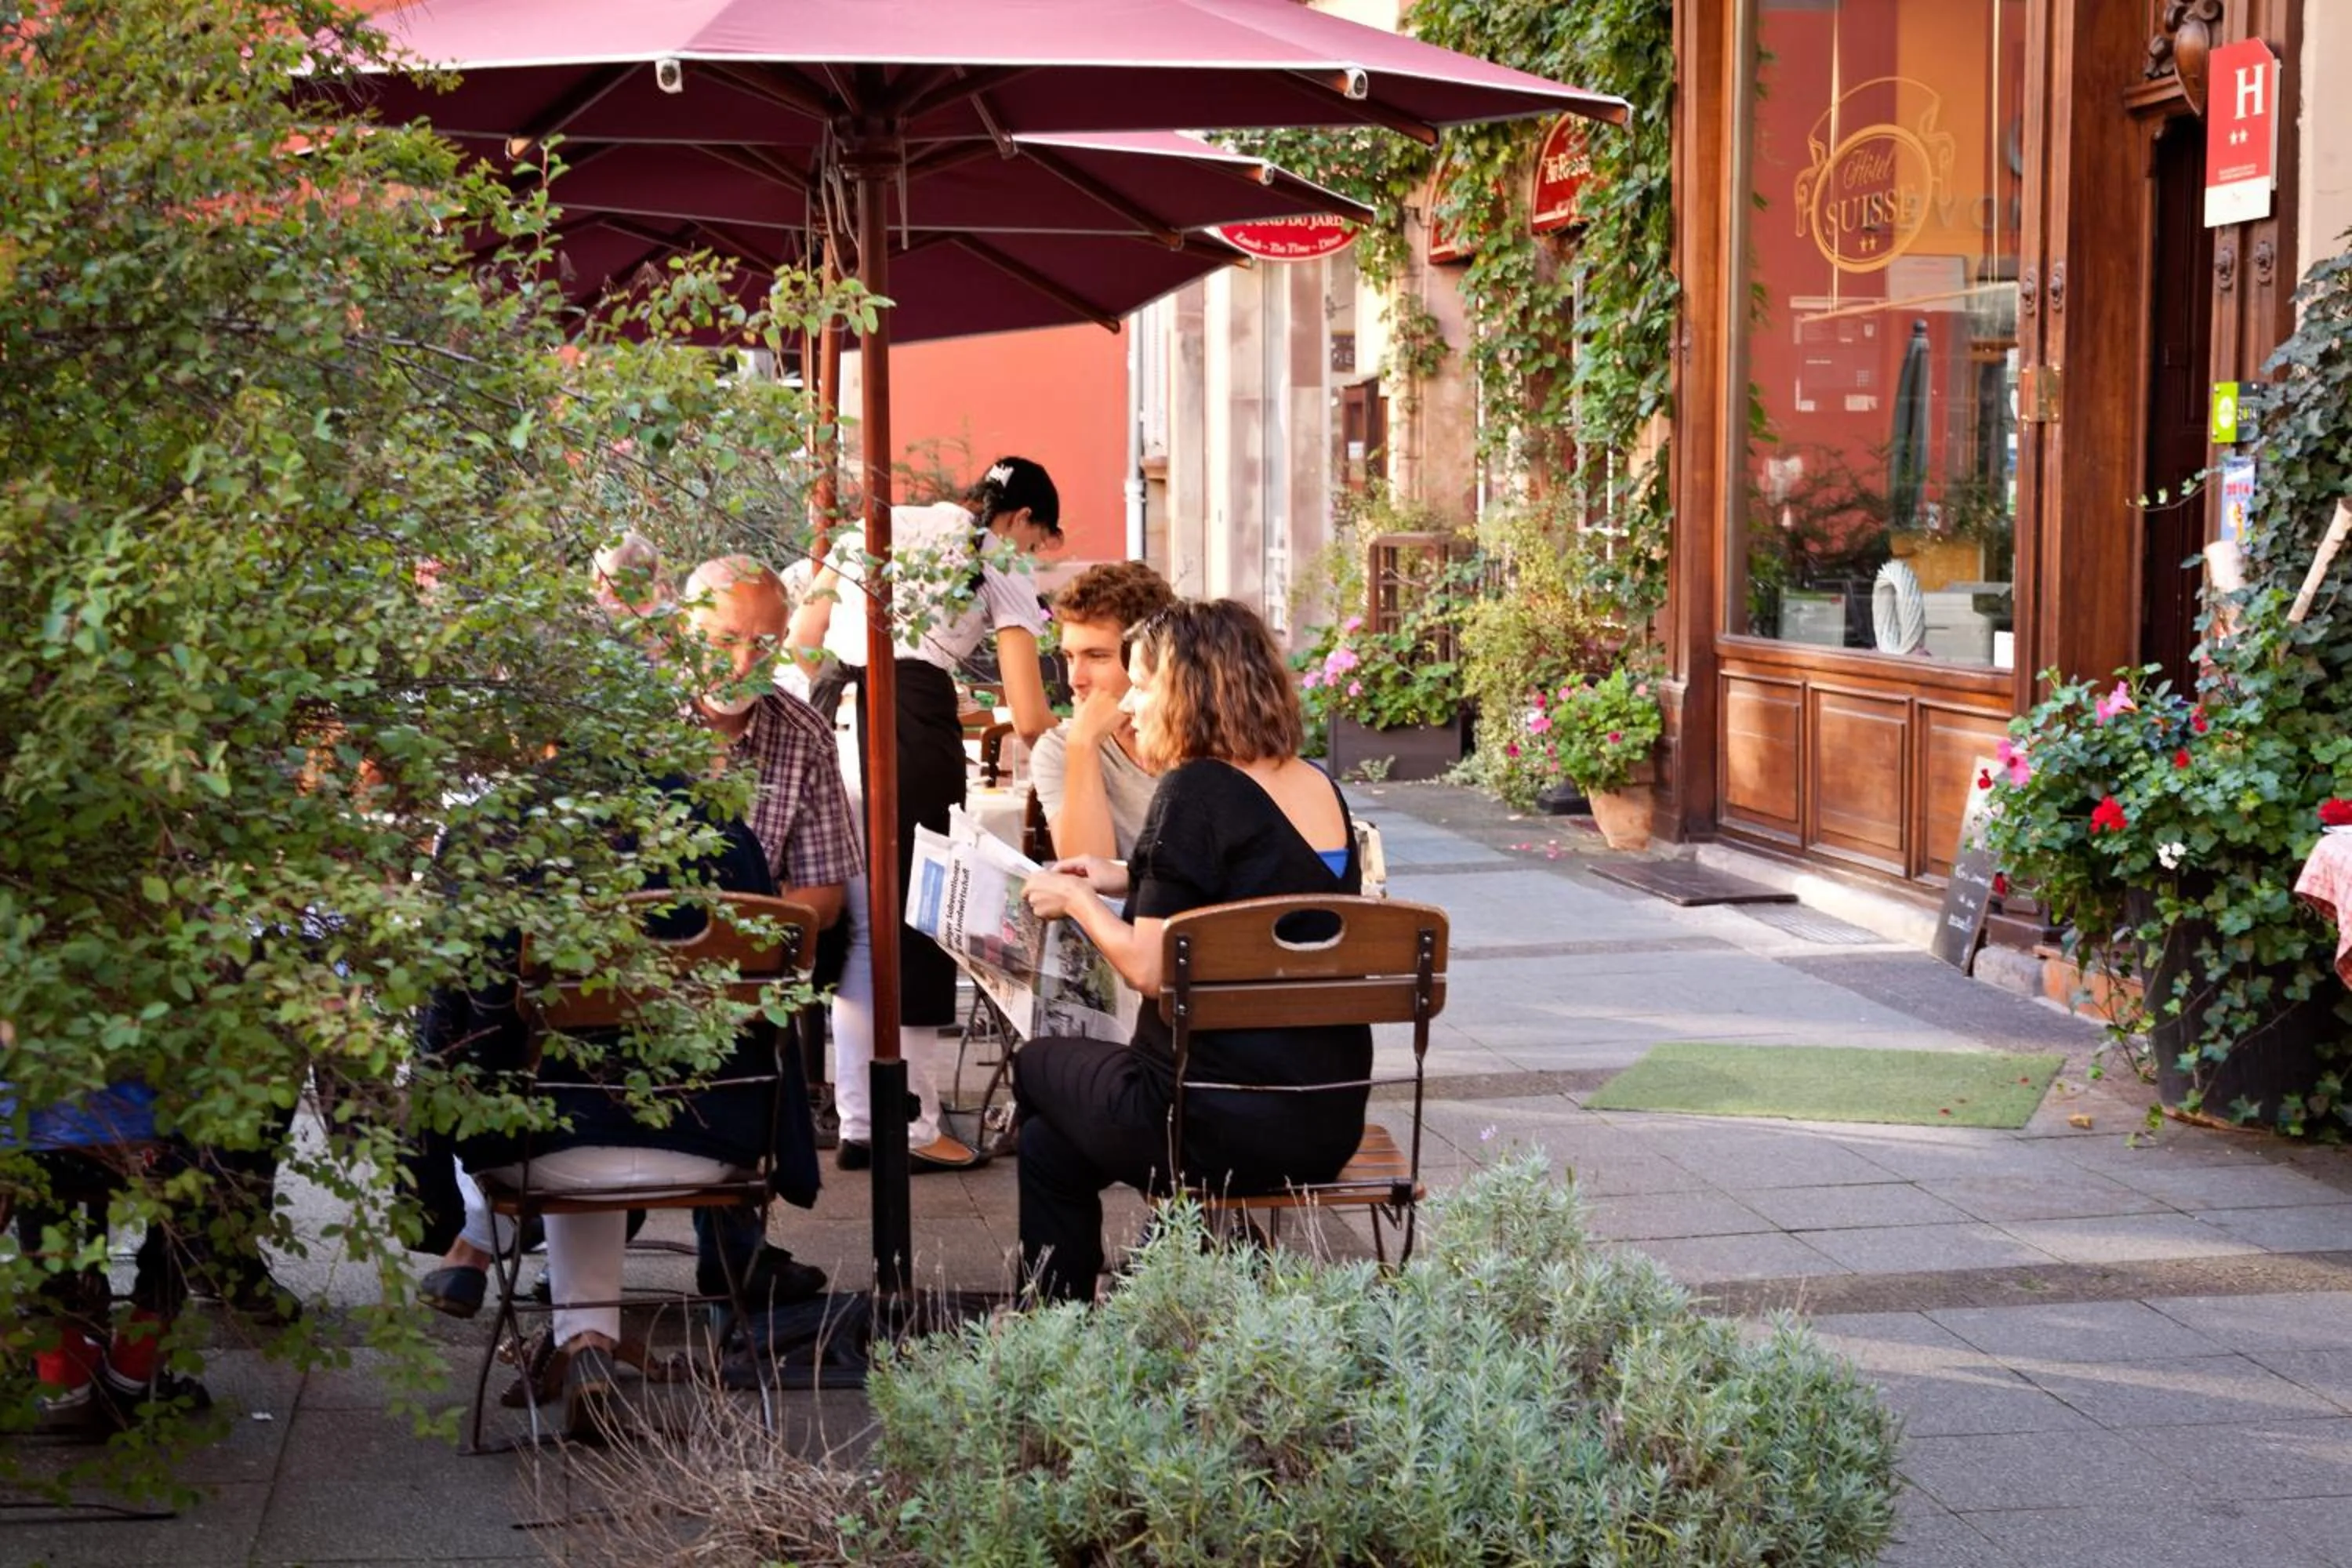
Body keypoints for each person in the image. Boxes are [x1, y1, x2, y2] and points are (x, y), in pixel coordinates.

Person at [415, 556, 855, 1319]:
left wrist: (730, 940)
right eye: (722, 641)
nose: (742, 662)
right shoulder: (621, 725)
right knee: (552, 1014)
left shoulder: (803, 734)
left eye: (762, 643)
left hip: (728, 990)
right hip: (608, 988)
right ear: (679, 633)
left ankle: (495, 1252)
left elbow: (823, 890)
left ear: (786, 641)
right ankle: (554, 1257)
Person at [412, 808, 808, 1437]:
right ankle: (587, 1344)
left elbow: (446, 1034)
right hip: (709, 1142)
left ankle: (478, 1246)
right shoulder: (727, 832)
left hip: (544, 1153)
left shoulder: (492, 832)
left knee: (514, 1094)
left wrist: (425, 1168)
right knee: (589, 1114)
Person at [1015, 600, 1367, 1304]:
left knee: (1036, 1067)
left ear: (1188, 690)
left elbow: (1148, 970)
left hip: (1207, 1119)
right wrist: (1123, 875)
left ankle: (1072, 1321)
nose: (1128, 705)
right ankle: (1170, 1274)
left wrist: (1078, 901)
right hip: (1325, 1119)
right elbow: (1263, 877)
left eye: (1142, 684)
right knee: (1048, 1148)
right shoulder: (1315, 784)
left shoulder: (1194, 790)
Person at [788, 457, 1062, 1172]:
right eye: (1036, 540)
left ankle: (859, 1121)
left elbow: (802, 643)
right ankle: (910, 1128)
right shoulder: (993, 554)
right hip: (909, 732)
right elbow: (1029, 712)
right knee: (917, 926)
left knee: (859, 933)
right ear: (1022, 519)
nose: (1029, 554)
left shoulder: (872, 528)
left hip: (836, 721)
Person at [1030, 561, 1176, 861]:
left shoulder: (1205, 735)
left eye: (1097, 657)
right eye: (1070, 657)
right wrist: (1083, 745)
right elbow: (1085, 873)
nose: (1075, 679)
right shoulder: (1060, 748)